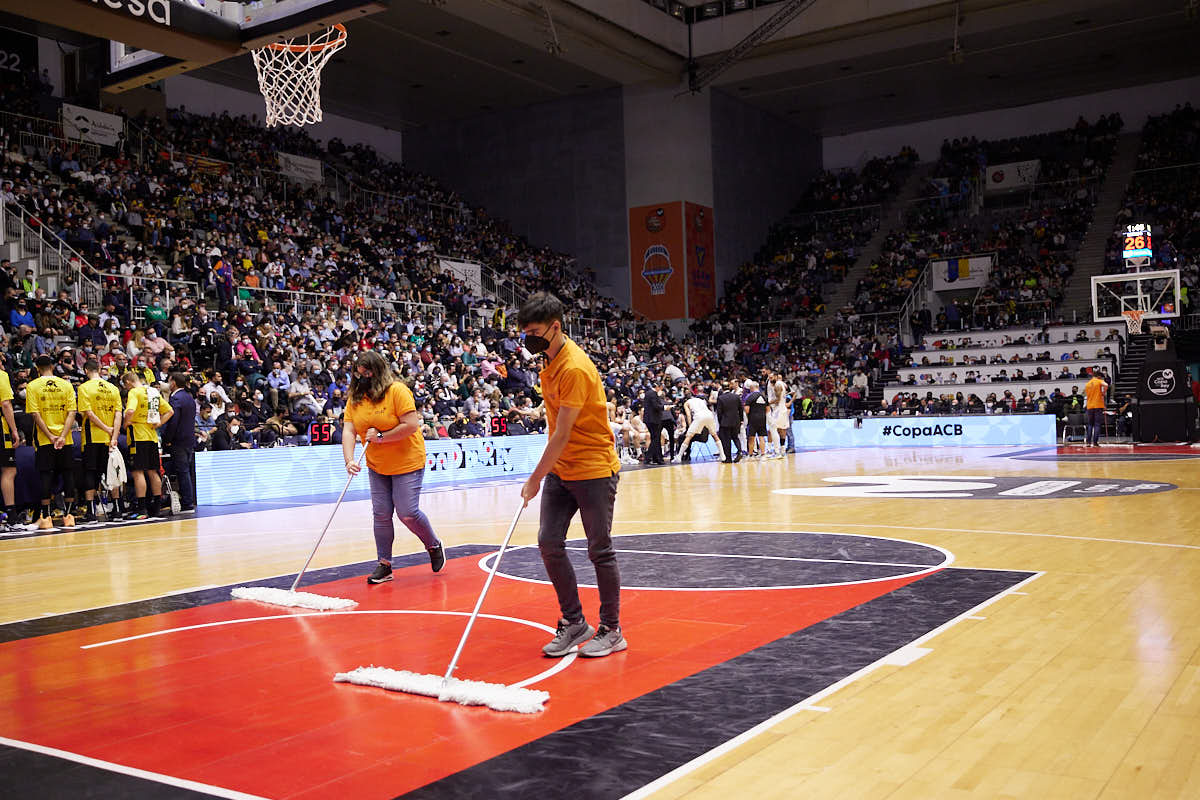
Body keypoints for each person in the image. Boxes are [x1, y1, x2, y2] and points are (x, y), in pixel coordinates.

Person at [518, 292, 625, 658]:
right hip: (563, 469)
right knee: (549, 543)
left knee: (600, 549)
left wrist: (534, 478)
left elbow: (562, 433)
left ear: (555, 327)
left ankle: (611, 629)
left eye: (533, 331)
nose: (528, 339)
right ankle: (575, 622)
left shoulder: (574, 367)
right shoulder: (549, 359)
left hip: (593, 468)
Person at [342, 349, 444, 584]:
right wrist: (349, 459)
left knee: (407, 513)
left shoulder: (397, 391)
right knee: (381, 514)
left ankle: (433, 544)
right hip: (377, 465)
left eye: (368, 374)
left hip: (407, 460)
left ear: (378, 372)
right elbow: (349, 430)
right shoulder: (356, 399)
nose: (363, 379)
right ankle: (384, 564)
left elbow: (411, 425)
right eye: (359, 375)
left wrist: (380, 436)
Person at [26, 355, 79, 529]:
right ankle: (69, 515)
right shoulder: (66, 384)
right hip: (66, 439)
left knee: (46, 476)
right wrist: (63, 435)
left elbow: (35, 414)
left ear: (37, 368)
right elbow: (72, 412)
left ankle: (46, 517)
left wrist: (50, 436)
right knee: (68, 475)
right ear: (52, 366)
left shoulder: (32, 386)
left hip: (45, 440)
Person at [76, 360, 123, 524]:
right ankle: (117, 510)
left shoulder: (84, 388)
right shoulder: (113, 388)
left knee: (90, 472)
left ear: (86, 370)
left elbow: (88, 413)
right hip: (110, 439)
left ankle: (90, 512)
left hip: (92, 438)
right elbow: (118, 414)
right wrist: (114, 435)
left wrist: (104, 428)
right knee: (112, 473)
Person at [121, 371, 173, 519]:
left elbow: (130, 410)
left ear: (129, 382)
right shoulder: (153, 391)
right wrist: (158, 424)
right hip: (152, 436)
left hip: (138, 436)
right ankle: (156, 508)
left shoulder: (134, 392)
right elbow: (169, 411)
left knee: (138, 472)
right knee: (153, 471)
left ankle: (142, 509)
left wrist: (126, 423)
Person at [161, 372, 198, 511]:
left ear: (174, 383)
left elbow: (173, 422)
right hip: (189, 439)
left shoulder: (176, 398)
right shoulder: (189, 397)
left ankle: (187, 503)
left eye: (169, 381)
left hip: (179, 440)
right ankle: (187, 500)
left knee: (182, 472)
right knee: (185, 471)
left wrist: (167, 439)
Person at [0, 363, 22, 530]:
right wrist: (14, 430)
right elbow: (6, 404)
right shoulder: (2, 376)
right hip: (1, 429)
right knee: (9, 470)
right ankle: (11, 516)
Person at [678, 389, 718, 463]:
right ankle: (686, 455)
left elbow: (689, 417)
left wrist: (689, 427)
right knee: (714, 435)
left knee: (683, 437)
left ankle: (681, 455)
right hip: (704, 435)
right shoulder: (706, 411)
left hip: (701, 436)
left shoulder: (696, 414)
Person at [715, 381, 745, 463]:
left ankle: (728, 459)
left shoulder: (721, 398)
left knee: (726, 440)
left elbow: (719, 412)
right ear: (729, 387)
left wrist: (720, 422)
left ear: (722, 388)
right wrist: (741, 420)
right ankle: (740, 451)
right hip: (736, 421)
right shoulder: (736, 397)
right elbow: (741, 409)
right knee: (735, 437)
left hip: (725, 422)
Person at [642, 382, 666, 464]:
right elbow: (656, 406)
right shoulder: (653, 394)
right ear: (658, 387)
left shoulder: (648, 393)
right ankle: (648, 457)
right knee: (655, 439)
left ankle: (657, 458)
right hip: (653, 419)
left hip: (649, 419)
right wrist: (665, 407)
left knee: (655, 438)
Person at [743, 379, 769, 458]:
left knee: (751, 437)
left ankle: (750, 455)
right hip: (762, 419)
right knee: (761, 437)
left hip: (753, 419)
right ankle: (763, 454)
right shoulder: (764, 396)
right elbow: (768, 409)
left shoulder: (750, 397)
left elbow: (747, 410)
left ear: (751, 388)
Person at [1083, 370, 1108, 447]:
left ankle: (1088, 442)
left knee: (1090, 424)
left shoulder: (1087, 384)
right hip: (1098, 405)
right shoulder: (1099, 381)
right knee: (1097, 424)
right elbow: (1106, 384)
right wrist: (1103, 393)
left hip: (1089, 406)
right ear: (1099, 376)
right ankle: (1095, 443)